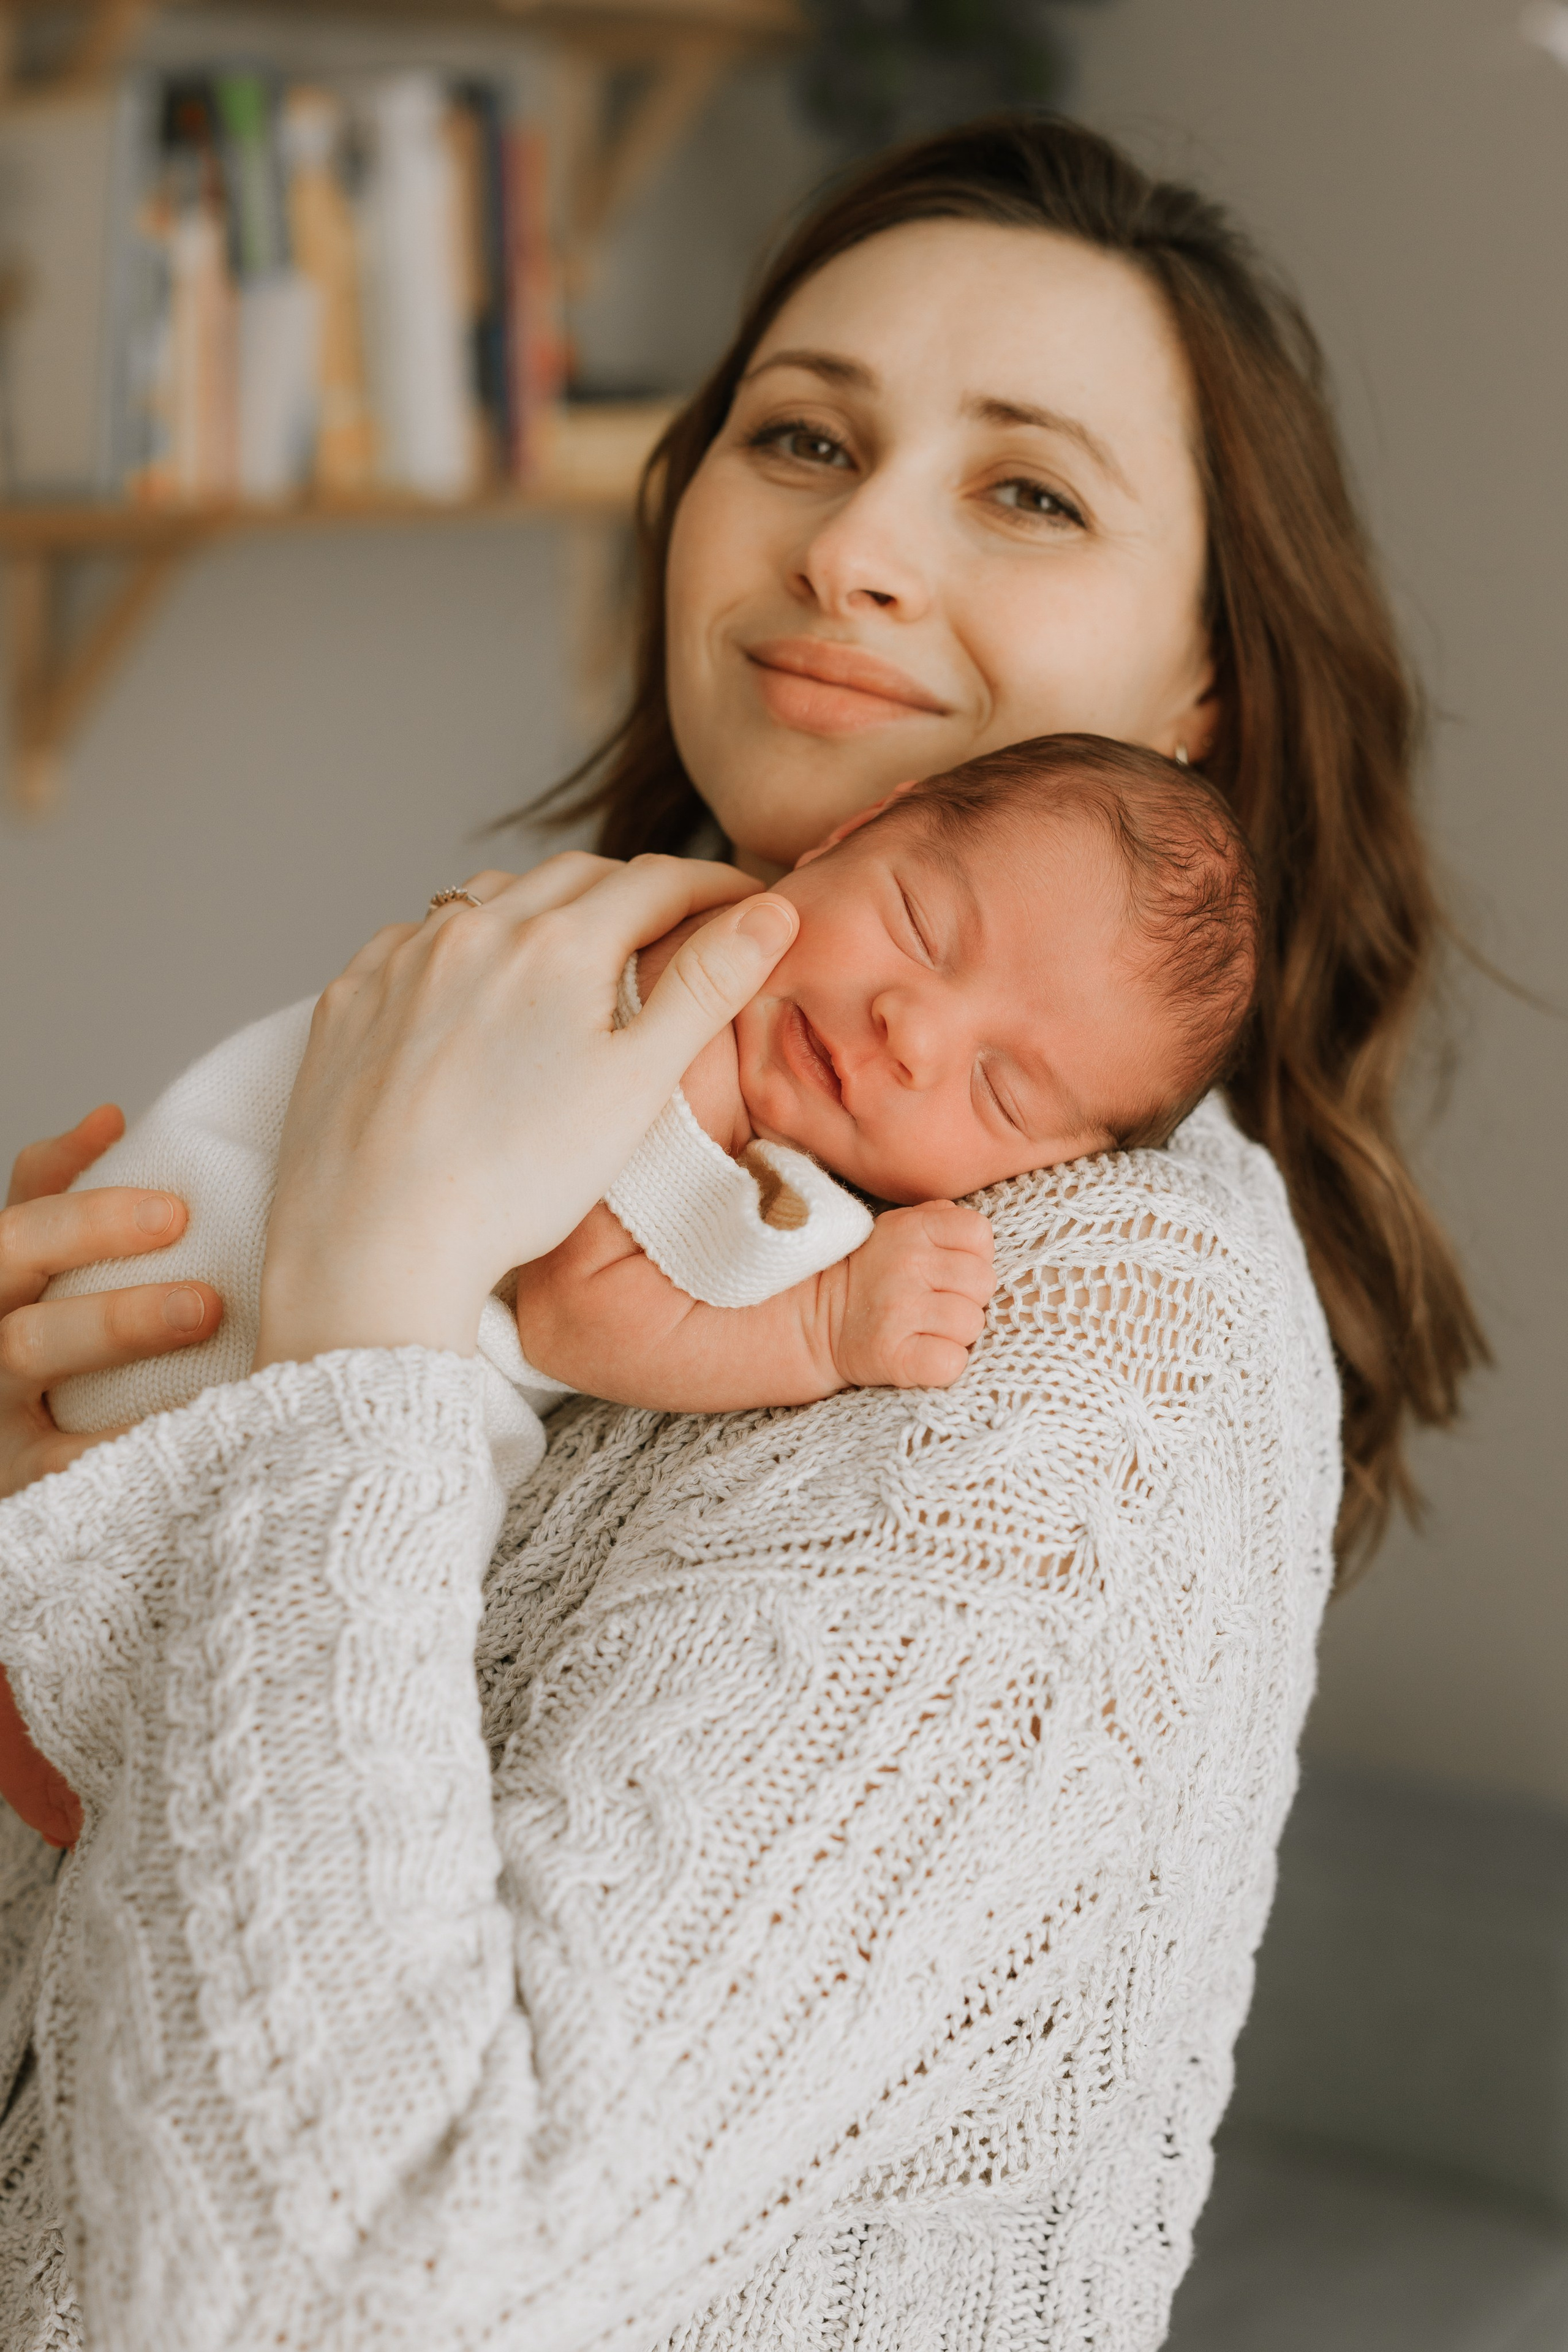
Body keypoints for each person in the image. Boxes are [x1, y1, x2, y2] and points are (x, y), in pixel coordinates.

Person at [0, 115, 1482, 2351]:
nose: (857, 545)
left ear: (1202, 692)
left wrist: (363, 1325)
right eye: (802, 435)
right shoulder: (535, 1031)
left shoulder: (1101, 1332)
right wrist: (66, 1509)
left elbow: (342, 2285)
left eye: (1027, 489)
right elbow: (124, 2008)